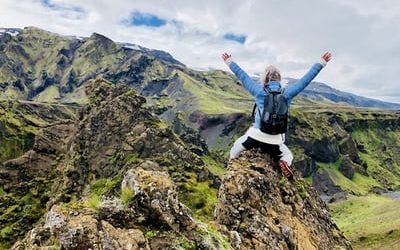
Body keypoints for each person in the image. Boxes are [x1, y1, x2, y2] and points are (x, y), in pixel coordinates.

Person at [222, 51, 332, 178]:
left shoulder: (259, 92)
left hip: (255, 137)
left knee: (235, 148)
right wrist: (321, 63)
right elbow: (305, 80)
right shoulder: (287, 93)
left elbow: (243, 77)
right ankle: (283, 162)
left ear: (265, 79)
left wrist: (229, 62)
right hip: (275, 141)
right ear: (279, 79)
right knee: (288, 155)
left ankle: (232, 167)